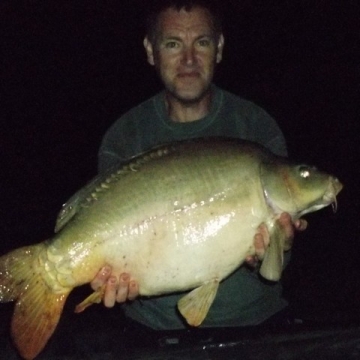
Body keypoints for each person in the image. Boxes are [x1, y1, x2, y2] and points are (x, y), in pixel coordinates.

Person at [91, 0, 307, 330]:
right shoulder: (125, 137)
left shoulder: (255, 126)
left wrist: (281, 246)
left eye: (202, 43)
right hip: (154, 328)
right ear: (151, 51)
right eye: (173, 44)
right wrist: (108, 280)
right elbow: (107, 237)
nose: (189, 59)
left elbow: (282, 256)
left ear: (219, 48)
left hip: (256, 321)